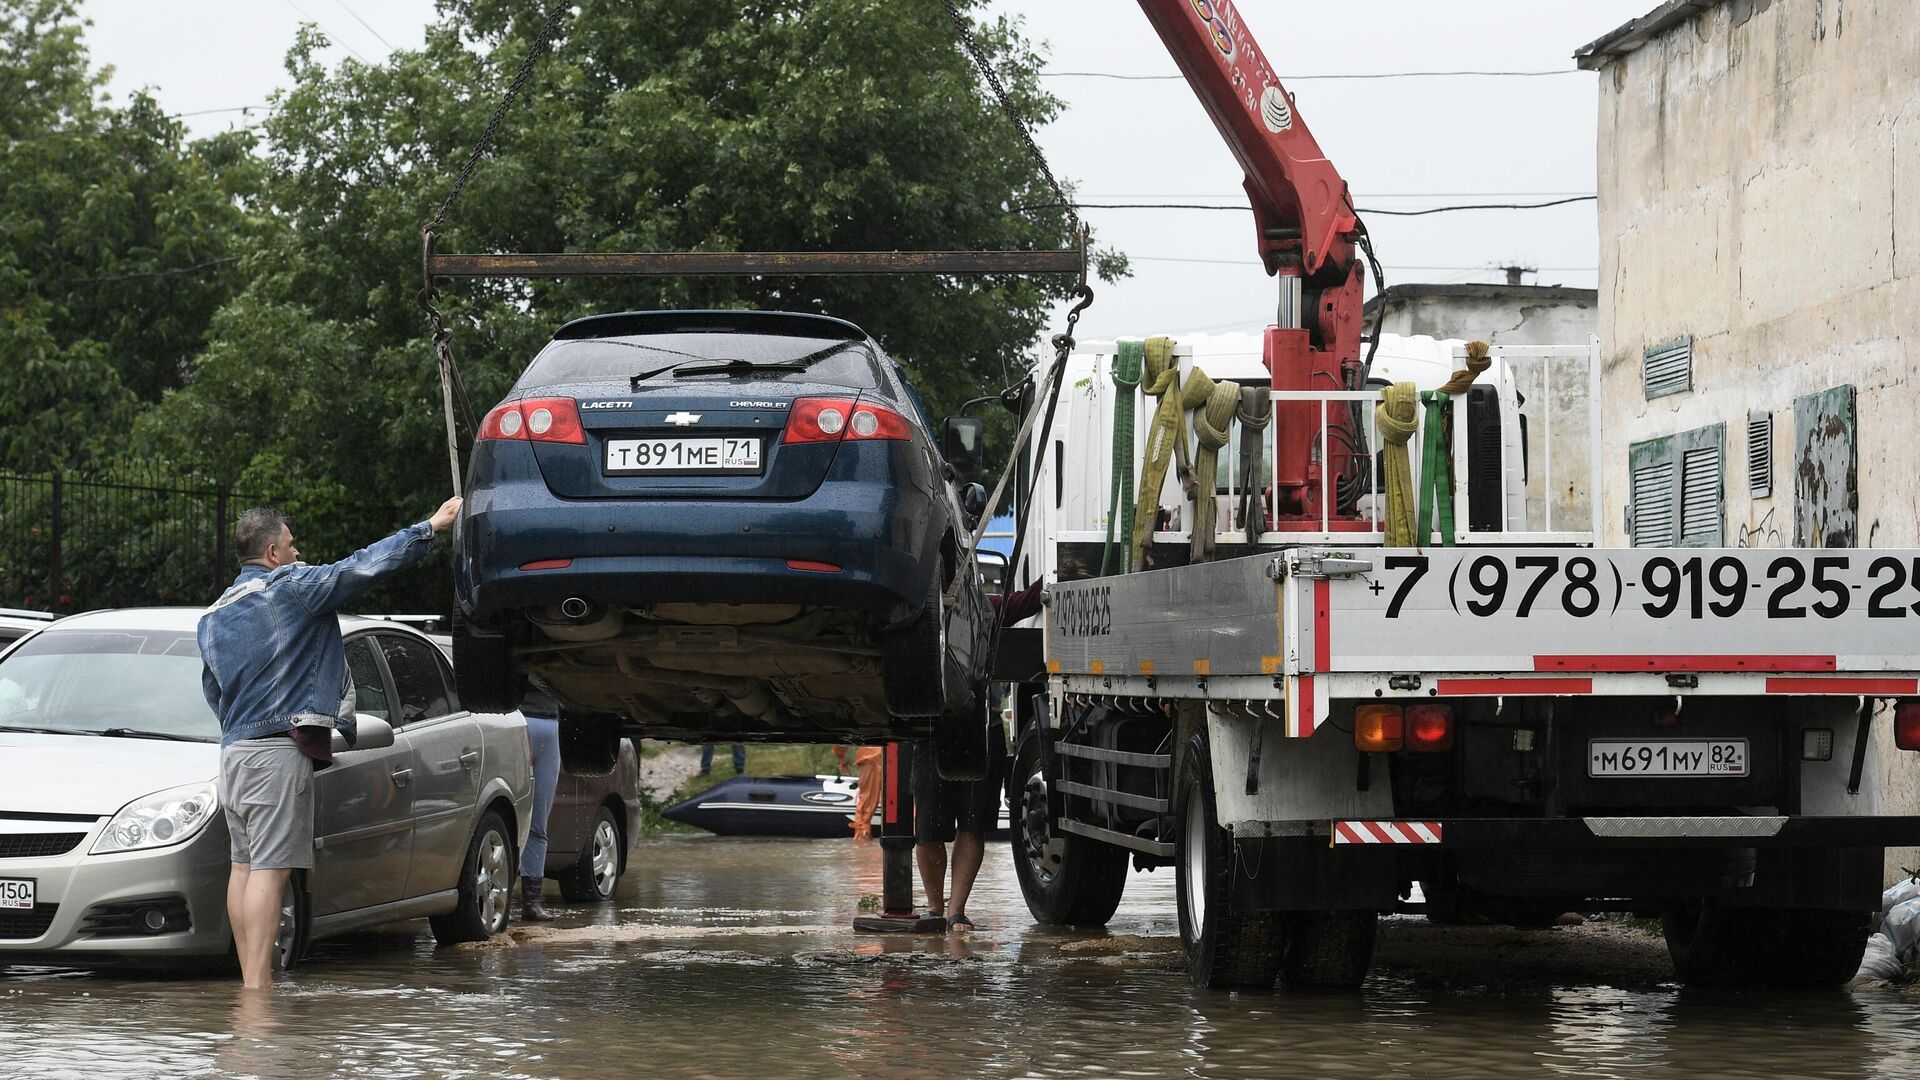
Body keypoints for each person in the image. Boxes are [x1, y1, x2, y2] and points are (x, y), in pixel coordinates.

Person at [199, 498, 460, 989]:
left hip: (232, 754)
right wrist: (431, 527)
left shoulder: (213, 616)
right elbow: (361, 567)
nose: (299, 554)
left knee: (243, 867)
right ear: (273, 551)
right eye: (293, 546)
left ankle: (250, 983)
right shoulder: (292, 589)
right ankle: (257, 991)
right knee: (272, 872)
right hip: (276, 754)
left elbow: (213, 690)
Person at [911, 578, 1044, 930]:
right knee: (927, 828)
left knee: (972, 823)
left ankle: (956, 910)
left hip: (981, 729)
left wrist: (1057, 572)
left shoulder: (988, 608)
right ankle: (936, 908)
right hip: (929, 729)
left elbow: (1027, 601)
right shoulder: (918, 609)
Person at [518, 682, 562, 922]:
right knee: (506, 814)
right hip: (516, 721)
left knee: (538, 822)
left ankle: (531, 901)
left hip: (549, 723)